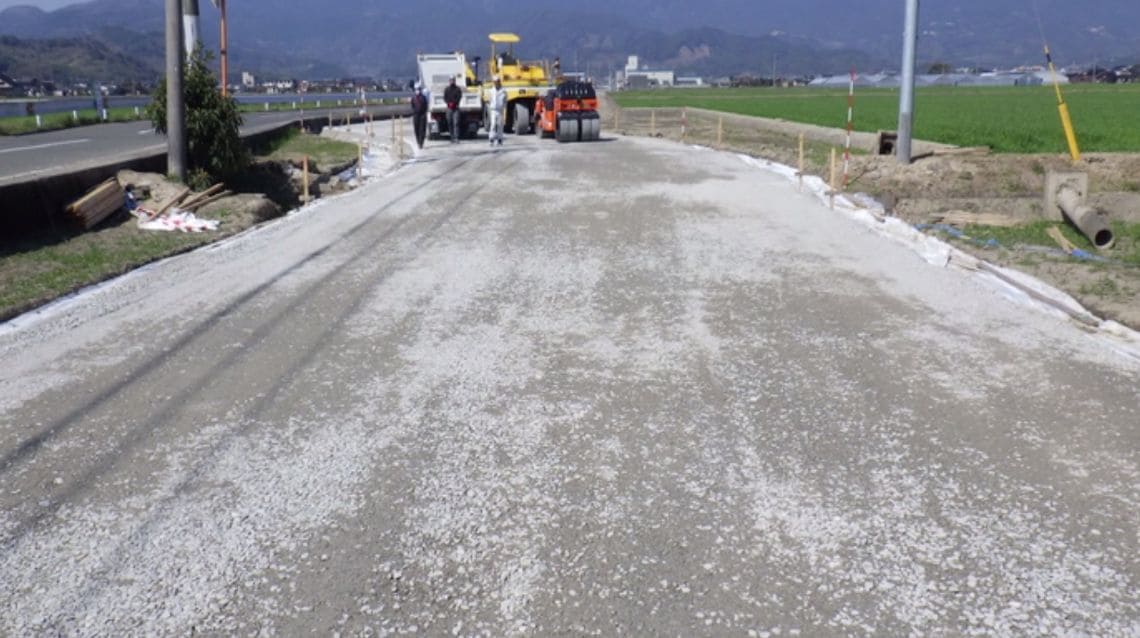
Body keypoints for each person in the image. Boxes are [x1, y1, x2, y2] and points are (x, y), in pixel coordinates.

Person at [488, 78, 507, 147]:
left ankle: (499, 139)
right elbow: (489, 99)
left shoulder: (503, 91)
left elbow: (505, 100)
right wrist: (491, 106)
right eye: (495, 82)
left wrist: (503, 107)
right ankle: (491, 139)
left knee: (499, 125)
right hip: (493, 110)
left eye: (497, 82)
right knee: (493, 124)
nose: (496, 83)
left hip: (500, 110)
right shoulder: (491, 91)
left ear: (499, 82)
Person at [443, 77, 462, 143]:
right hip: (449, 108)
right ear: (449, 81)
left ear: (455, 81)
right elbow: (445, 98)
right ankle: (452, 137)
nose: (452, 81)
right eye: (451, 80)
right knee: (449, 122)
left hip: (456, 108)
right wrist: (449, 103)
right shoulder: (447, 89)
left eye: (453, 80)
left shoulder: (458, 89)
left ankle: (456, 137)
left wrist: (454, 103)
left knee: (456, 123)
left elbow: (459, 97)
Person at [410, 84, 428, 149]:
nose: (417, 91)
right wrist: (414, 111)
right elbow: (412, 105)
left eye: (418, 89)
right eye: (416, 89)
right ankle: (418, 141)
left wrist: (424, 113)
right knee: (416, 129)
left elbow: (426, 106)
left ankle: (421, 143)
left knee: (422, 129)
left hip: (422, 115)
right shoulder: (413, 98)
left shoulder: (423, 97)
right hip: (416, 115)